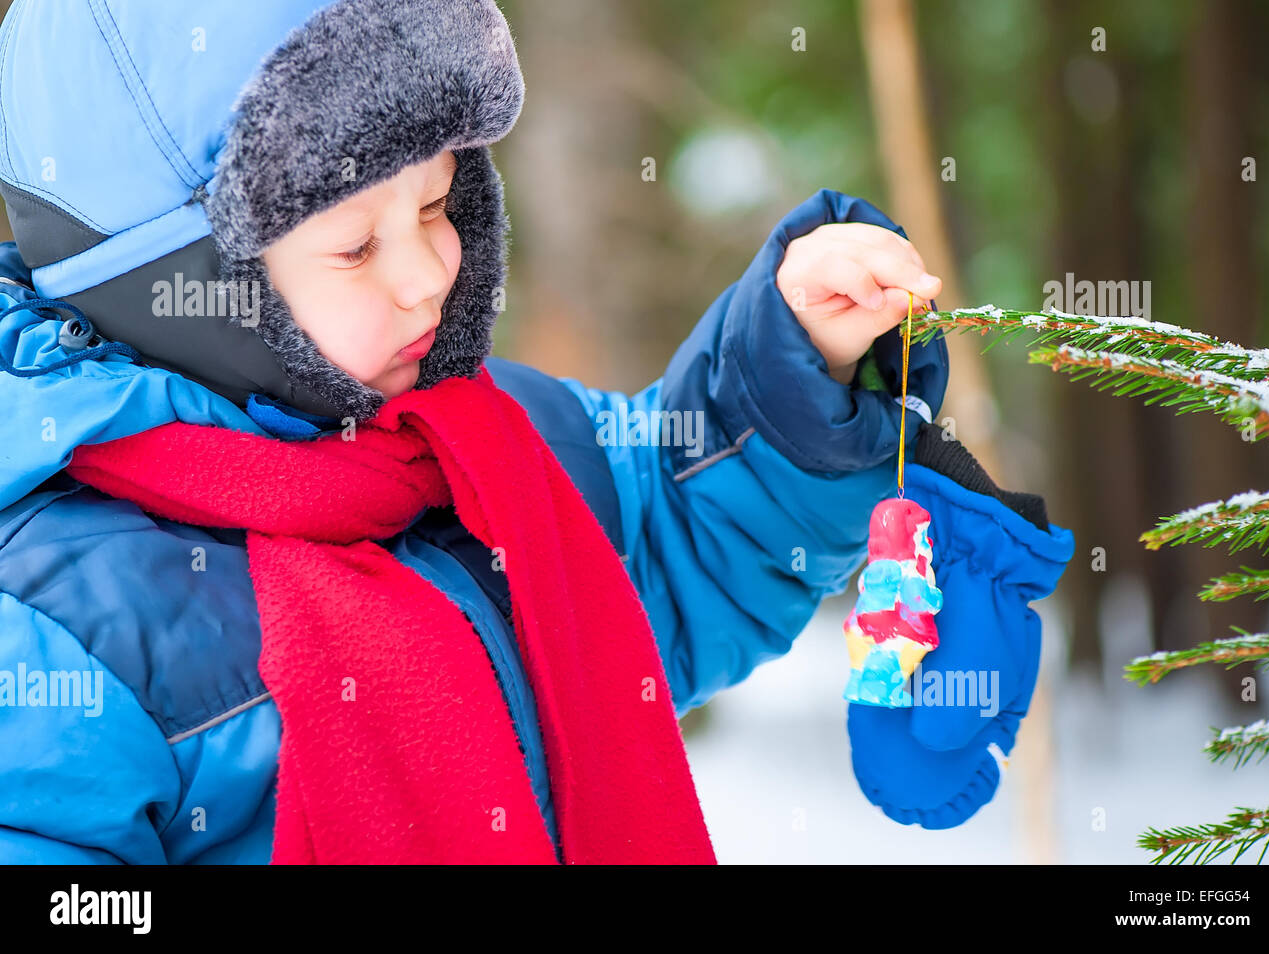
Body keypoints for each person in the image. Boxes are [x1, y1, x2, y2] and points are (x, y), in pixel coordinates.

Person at [0, 0, 1053, 864]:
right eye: (357, 246)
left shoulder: (485, 452)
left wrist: (790, 364)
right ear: (174, 281)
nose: (427, 276)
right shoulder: (56, 631)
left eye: (438, 204)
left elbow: (669, 530)